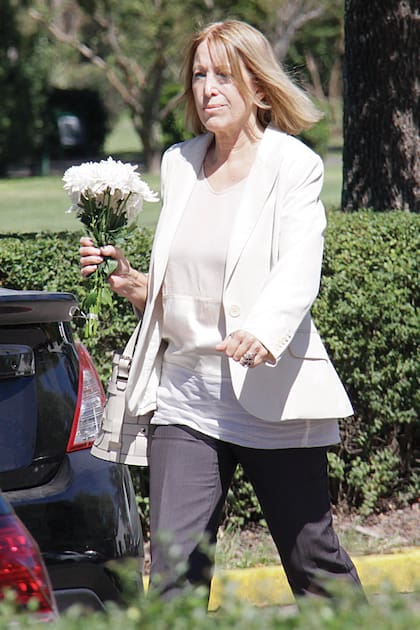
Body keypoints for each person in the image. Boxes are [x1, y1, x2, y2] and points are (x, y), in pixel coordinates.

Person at [80, 20, 363, 603]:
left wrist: (264, 329)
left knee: (313, 561)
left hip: (270, 395)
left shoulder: (292, 165)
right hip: (186, 397)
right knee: (175, 573)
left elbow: (299, 263)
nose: (207, 87)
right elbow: (185, 280)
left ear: (259, 88)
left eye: (224, 75)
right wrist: (134, 281)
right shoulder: (180, 163)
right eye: (199, 74)